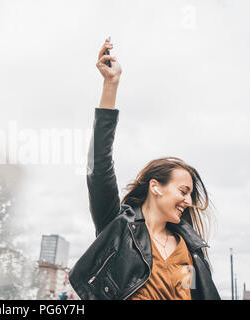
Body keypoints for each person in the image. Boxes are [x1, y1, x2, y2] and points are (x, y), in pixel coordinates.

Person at [69, 38, 220, 300]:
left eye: (190, 195)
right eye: (183, 190)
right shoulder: (118, 229)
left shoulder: (190, 250)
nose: (188, 200)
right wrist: (110, 85)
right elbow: (99, 166)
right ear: (155, 187)